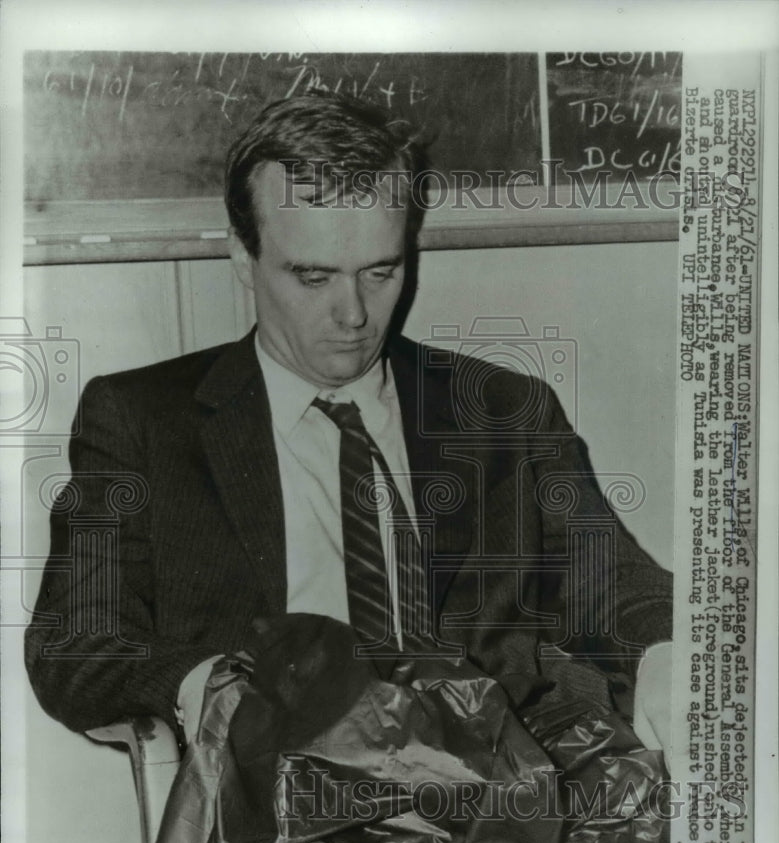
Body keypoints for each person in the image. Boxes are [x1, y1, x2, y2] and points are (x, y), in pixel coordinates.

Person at [25, 92, 673, 755]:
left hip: (502, 788)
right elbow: (74, 642)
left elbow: (613, 582)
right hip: (281, 789)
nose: (354, 314)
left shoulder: (505, 409)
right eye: (313, 277)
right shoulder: (141, 419)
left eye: (380, 272)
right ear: (242, 257)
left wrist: (667, 655)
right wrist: (209, 689)